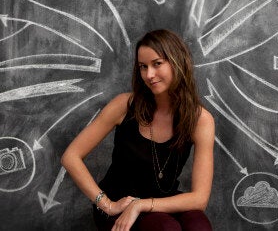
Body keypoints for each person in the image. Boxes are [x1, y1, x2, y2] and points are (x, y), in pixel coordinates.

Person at [61, 29, 215, 231]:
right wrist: (106, 204)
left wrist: (141, 204)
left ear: (178, 63)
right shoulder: (124, 105)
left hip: (161, 202)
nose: (149, 75)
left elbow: (199, 199)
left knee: (198, 226)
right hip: (119, 204)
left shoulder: (200, 120)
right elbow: (70, 156)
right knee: (166, 228)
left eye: (157, 64)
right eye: (143, 67)